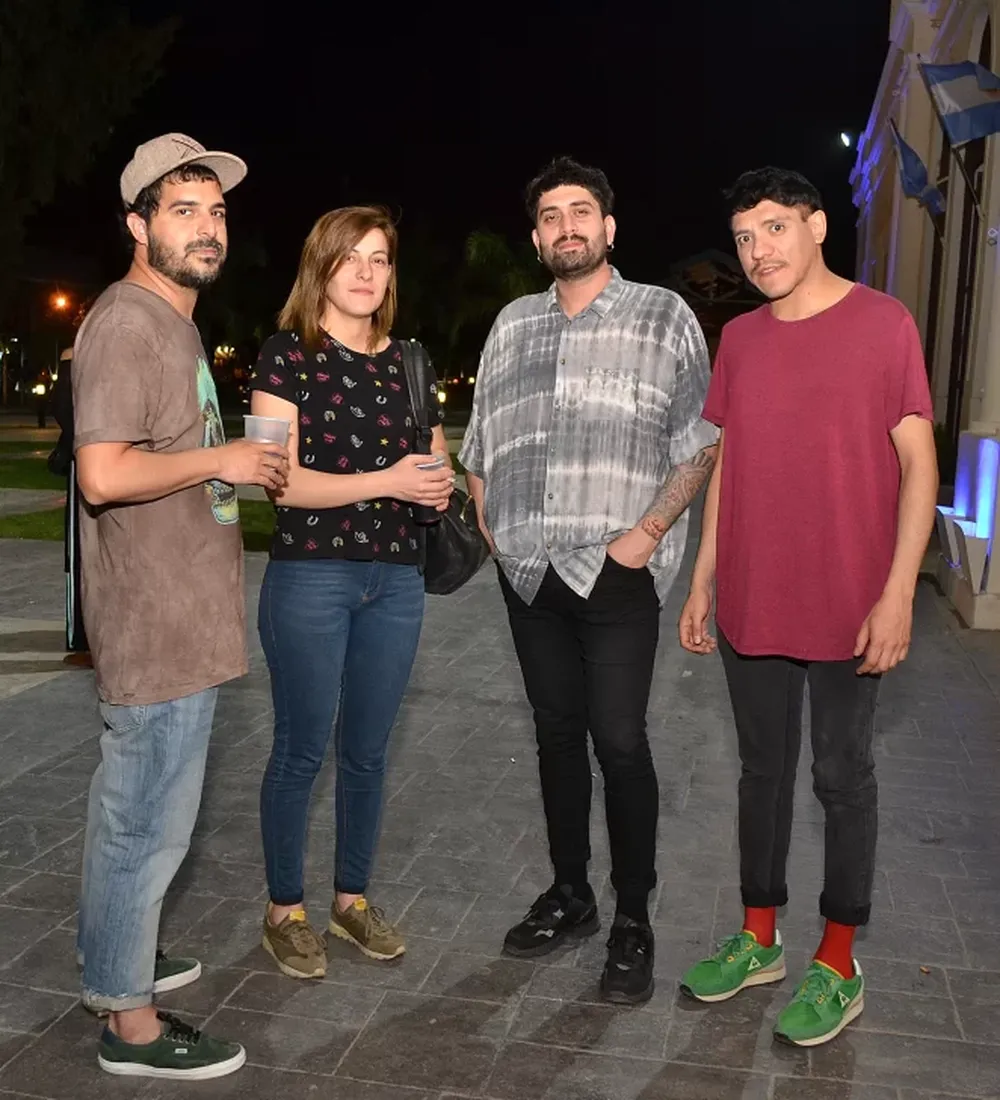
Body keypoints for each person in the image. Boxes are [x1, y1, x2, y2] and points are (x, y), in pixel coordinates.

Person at [678, 167, 938, 1047]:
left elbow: (919, 466)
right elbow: (728, 466)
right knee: (761, 774)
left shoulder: (883, 323)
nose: (758, 252)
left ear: (818, 226)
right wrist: (705, 579)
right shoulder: (742, 340)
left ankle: (838, 960)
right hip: (753, 594)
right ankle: (760, 939)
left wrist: (898, 591)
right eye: (745, 238)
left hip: (847, 603)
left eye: (774, 230)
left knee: (840, 777)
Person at [460, 157, 719, 1005]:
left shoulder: (663, 315)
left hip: (617, 569)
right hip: (529, 570)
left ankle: (634, 917)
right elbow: (483, 433)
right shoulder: (512, 325)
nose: (566, 225)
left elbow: (701, 438)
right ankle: (571, 896)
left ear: (610, 227)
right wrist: (487, 512)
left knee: (620, 740)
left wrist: (645, 537)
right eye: (549, 215)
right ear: (536, 238)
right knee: (555, 735)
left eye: (582, 211)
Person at [73, 132, 290, 1080]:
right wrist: (225, 460)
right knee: (142, 824)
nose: (208, 228)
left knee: (144, 820)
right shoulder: (128, 322)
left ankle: (120, 955)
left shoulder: (175, 322)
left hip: (184, 624)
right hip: (154, 631)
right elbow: (103, 473)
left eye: (217, 211)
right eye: (183, 210)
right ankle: (130, 1026)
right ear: (138, 225)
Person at [249, 206, 453, 981]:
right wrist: (391, 481)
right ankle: (285, 912)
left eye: (381, 259)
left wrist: (434, 490)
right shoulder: (285, 357)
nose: (368, 272)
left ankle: (351, 900)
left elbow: (429, 457)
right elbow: (280, 484)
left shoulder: (410, 359)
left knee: (367, 752)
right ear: (321, 269)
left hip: (396, 580)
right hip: (311, 575)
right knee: (301, 748)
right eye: (351, 258)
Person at [50, 347, 90, 662]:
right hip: (90, 458)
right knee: (81, 552)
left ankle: (87, 635)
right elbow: (64, 409)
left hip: (101, 458)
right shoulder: (75, 355)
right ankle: (82, 635)